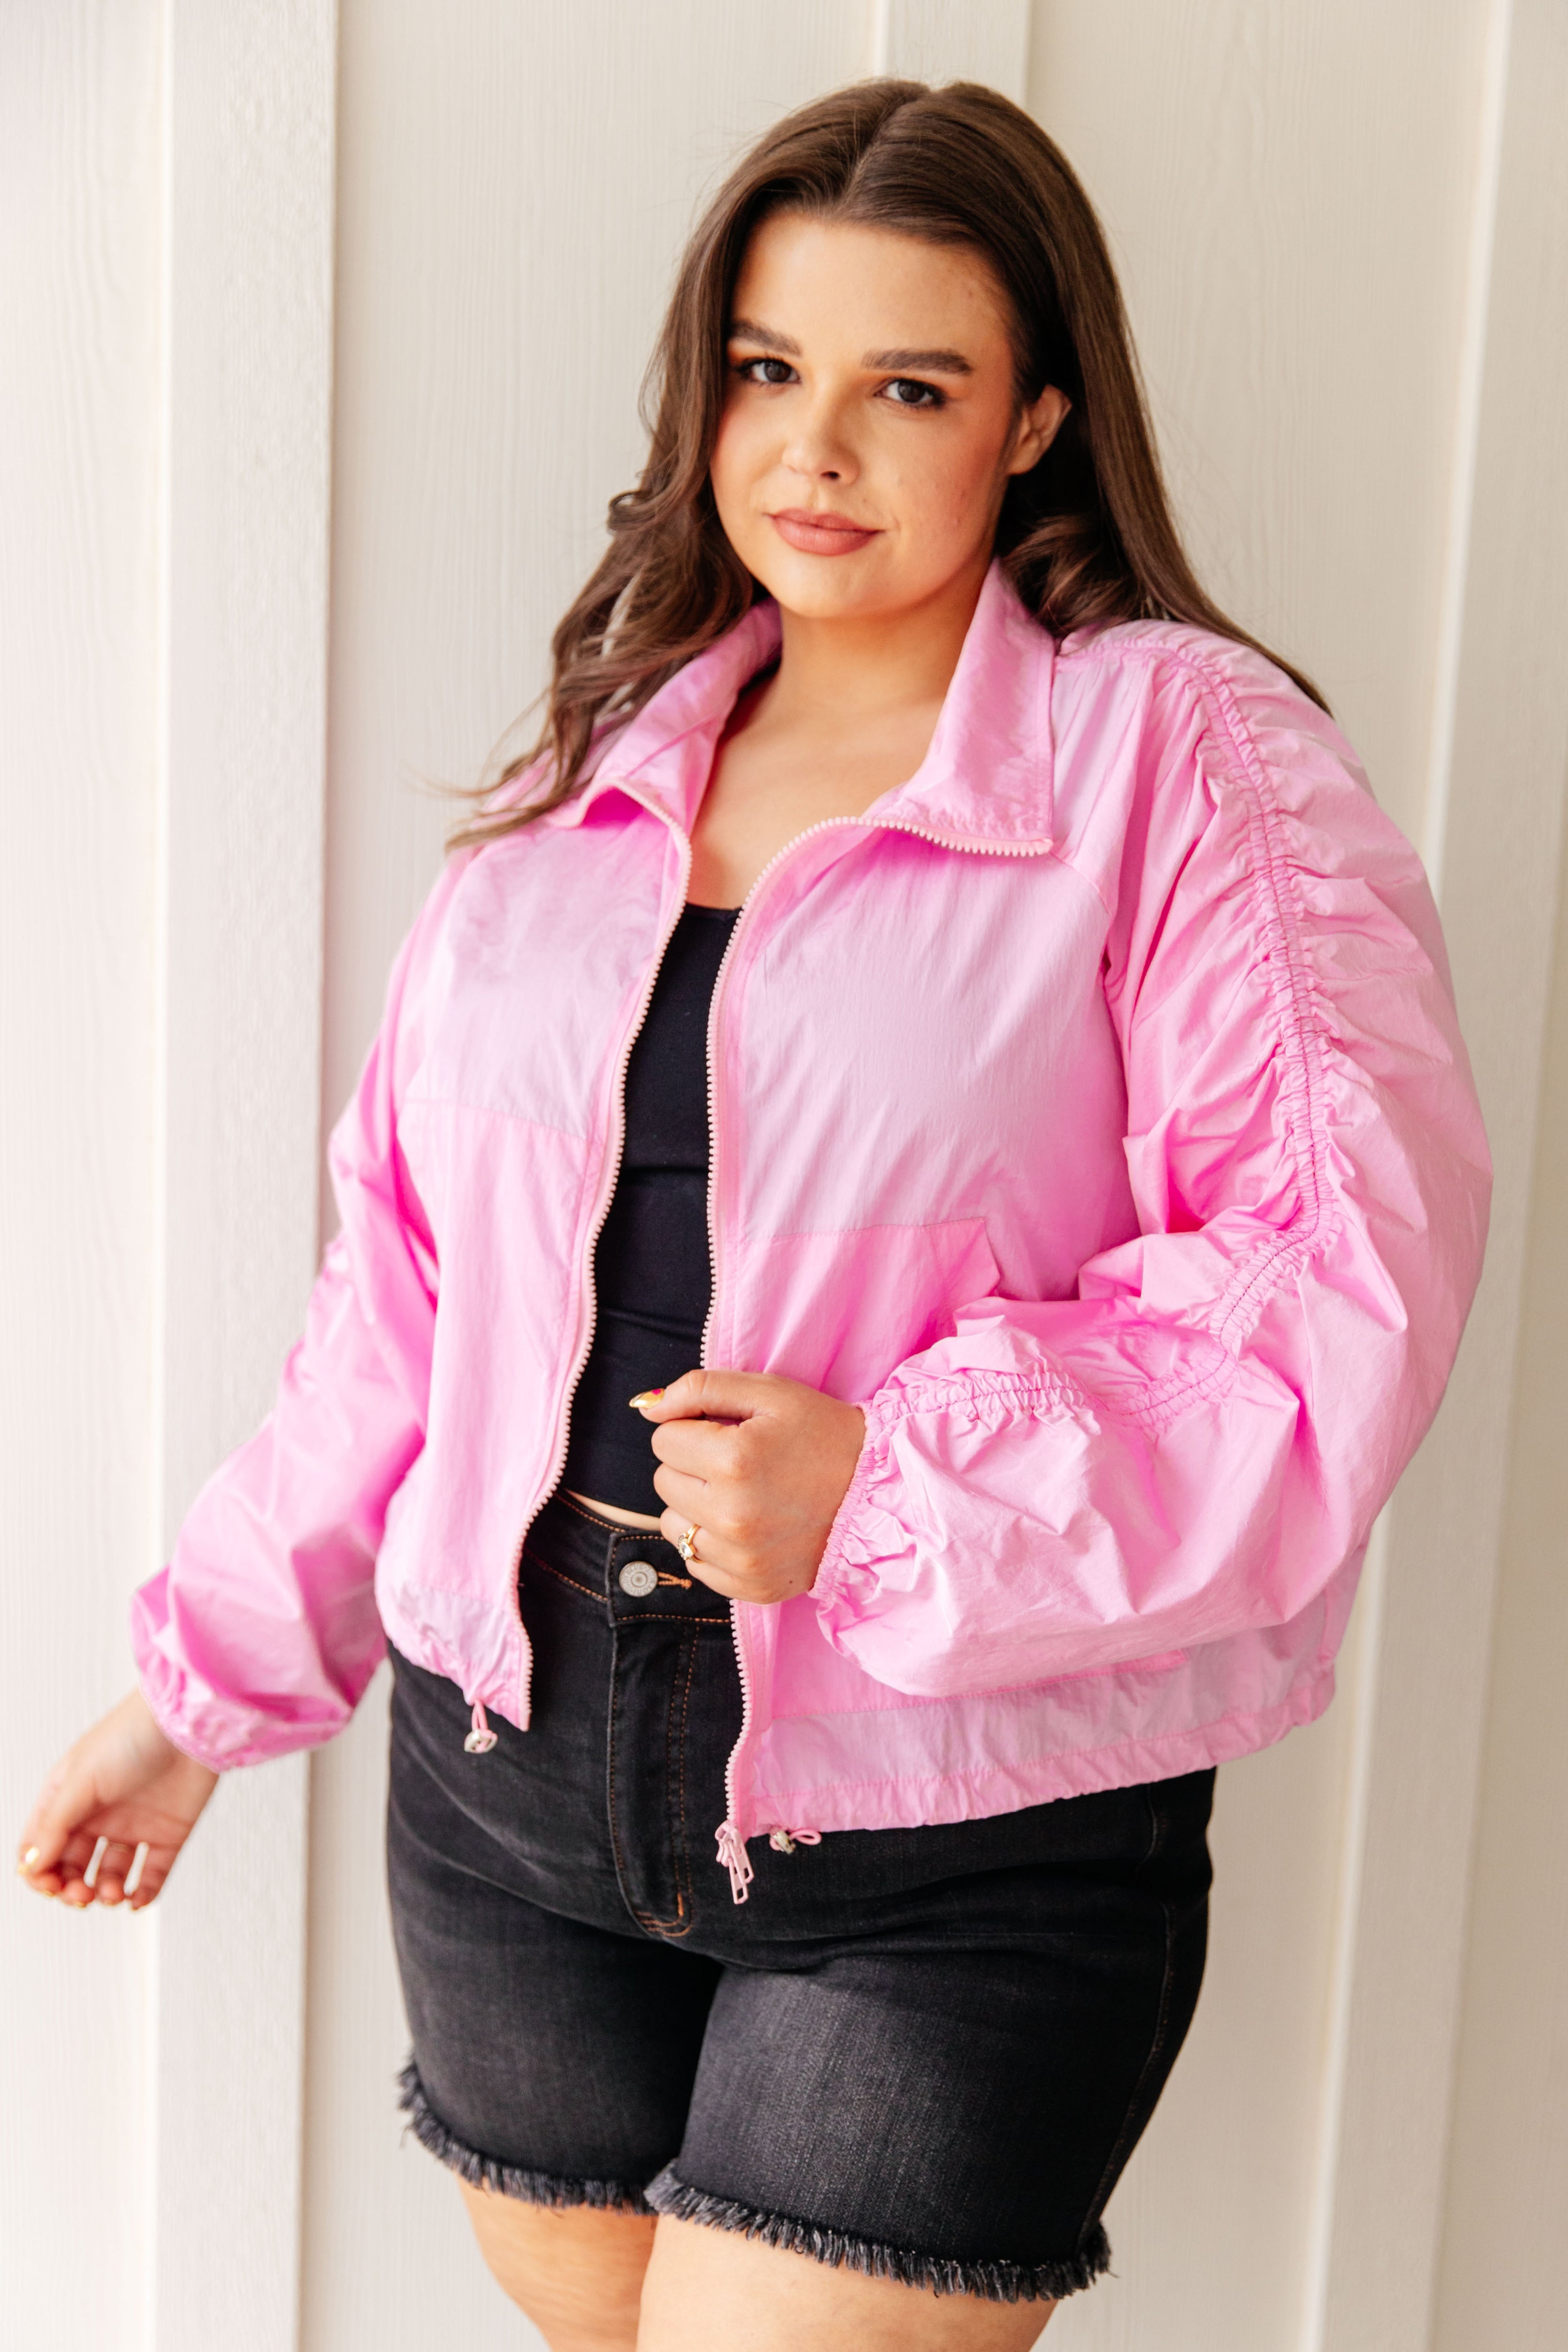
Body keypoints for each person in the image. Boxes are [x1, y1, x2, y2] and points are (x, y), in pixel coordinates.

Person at [16, 79, 1488, 2352]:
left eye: (912, 387)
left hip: (953, 1827)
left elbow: (1333, 1290)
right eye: (769, 368)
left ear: (1036, 422)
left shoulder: (1175, 757)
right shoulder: (594, 769)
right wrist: (195, 1694)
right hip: (508, 1791)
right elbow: (404, 1309)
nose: (815, 449)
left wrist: (889, 1490)